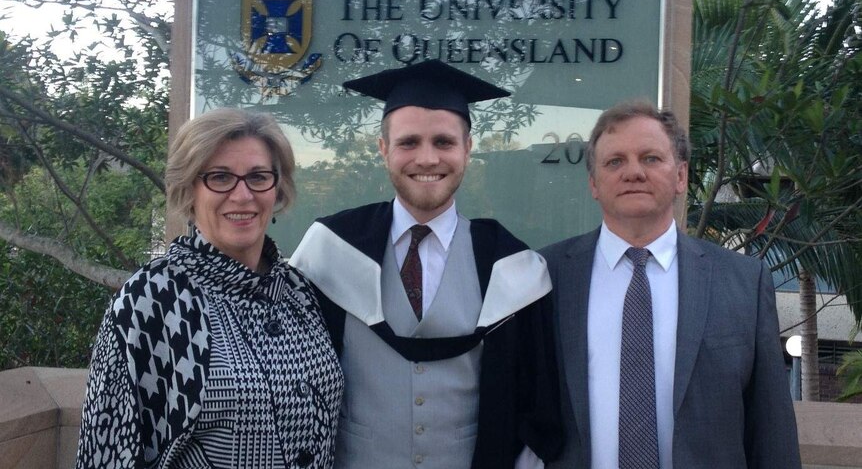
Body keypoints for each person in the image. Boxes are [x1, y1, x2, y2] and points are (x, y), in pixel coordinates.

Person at [291, 59, 563, 469]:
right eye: (408, 142)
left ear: (468, 149)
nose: (427, 158)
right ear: (383, 149)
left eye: (444, 142)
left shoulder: (510, 265)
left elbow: (534, 401)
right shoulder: (329, 249)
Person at [76, 108, 344, 468]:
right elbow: (106, 451)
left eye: (258, 177)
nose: (242, 195)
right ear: (189, 190)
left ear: (277, 187)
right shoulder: (152, 300)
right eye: (220, 178)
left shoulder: (300, 293)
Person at [540, 100, 801, 468]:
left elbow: (771, 429)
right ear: (593, 183)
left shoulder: (744, 283)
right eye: (615, 161)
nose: (633, 172)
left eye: (650, 158)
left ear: (680, 176)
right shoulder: (546, 276)